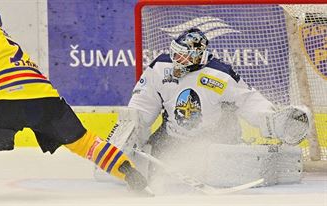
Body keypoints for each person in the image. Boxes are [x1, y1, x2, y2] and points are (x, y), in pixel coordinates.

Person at [0, 8, 148, 194]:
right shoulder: (4, 52)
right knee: (84, 142)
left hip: (4, 101)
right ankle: (127, 170)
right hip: (45, 100)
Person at [97, 28, 312, 186]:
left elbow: (249, 102)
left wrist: (270, 120)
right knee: (145, 173)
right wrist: (130, 130)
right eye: (175, 53)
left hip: (215, 140)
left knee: (225, 176)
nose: (176, 59)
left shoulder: (220, 75)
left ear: (198, 55)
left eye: (182, 55)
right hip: (171, 136)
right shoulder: (160, 68)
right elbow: (142, 105)